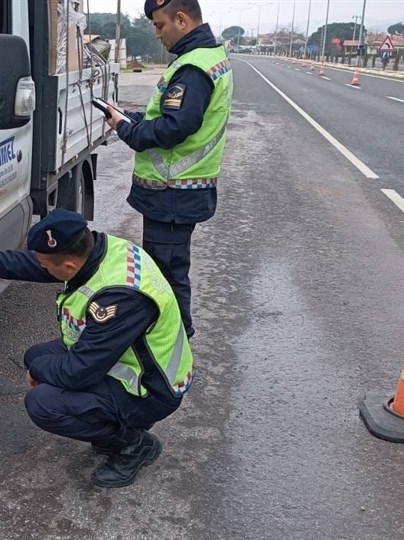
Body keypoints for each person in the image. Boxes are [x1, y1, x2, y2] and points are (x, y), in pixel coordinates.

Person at [0, 209, 195, 489]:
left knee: (42, 403)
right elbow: (35, 263)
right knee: (35, 357)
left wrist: (39, 373)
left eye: (47, 266)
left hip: (151, 388)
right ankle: (111, 421)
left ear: (70, 266)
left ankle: (134, 444)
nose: (42, 269)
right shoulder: (97, 250)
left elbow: (78, 373)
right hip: (127, 358)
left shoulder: (119, 298)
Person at [103, 0, 232, 340]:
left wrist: (125, 129)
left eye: (160, 26)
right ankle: (169, 337)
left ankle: (173, 344)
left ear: (181, 19)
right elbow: (173, 120)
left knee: (166, 274)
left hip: (173, 192)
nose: (157, 34)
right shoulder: (207, 58)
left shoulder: (192, 68)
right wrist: (131, 117)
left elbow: (174, 129)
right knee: (169, 270)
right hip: (178, 193)